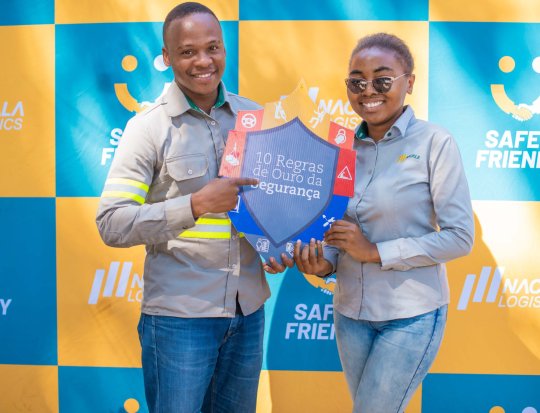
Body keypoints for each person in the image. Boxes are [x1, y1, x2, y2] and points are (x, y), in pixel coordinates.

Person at [96, 3, 290, 412]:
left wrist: (277, 245)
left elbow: (266, 206)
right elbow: (112, 222)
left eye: (212, 48)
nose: (203, 61)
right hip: (179, 319)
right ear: (167, 58)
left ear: (224, 49)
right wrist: (196, 204)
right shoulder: (148, 128)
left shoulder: (253, 117)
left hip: (247, 310)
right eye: (187, 52)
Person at [294, 33, 474, 413]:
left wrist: (376, 251)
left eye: (382, 79)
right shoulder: (341, 149)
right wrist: (322, 263)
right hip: (350, 314)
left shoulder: (434, 143)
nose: (368, 91)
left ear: (409, 82)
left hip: (411, 315)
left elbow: (460, 237)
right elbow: (337, 233)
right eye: (357, 82)